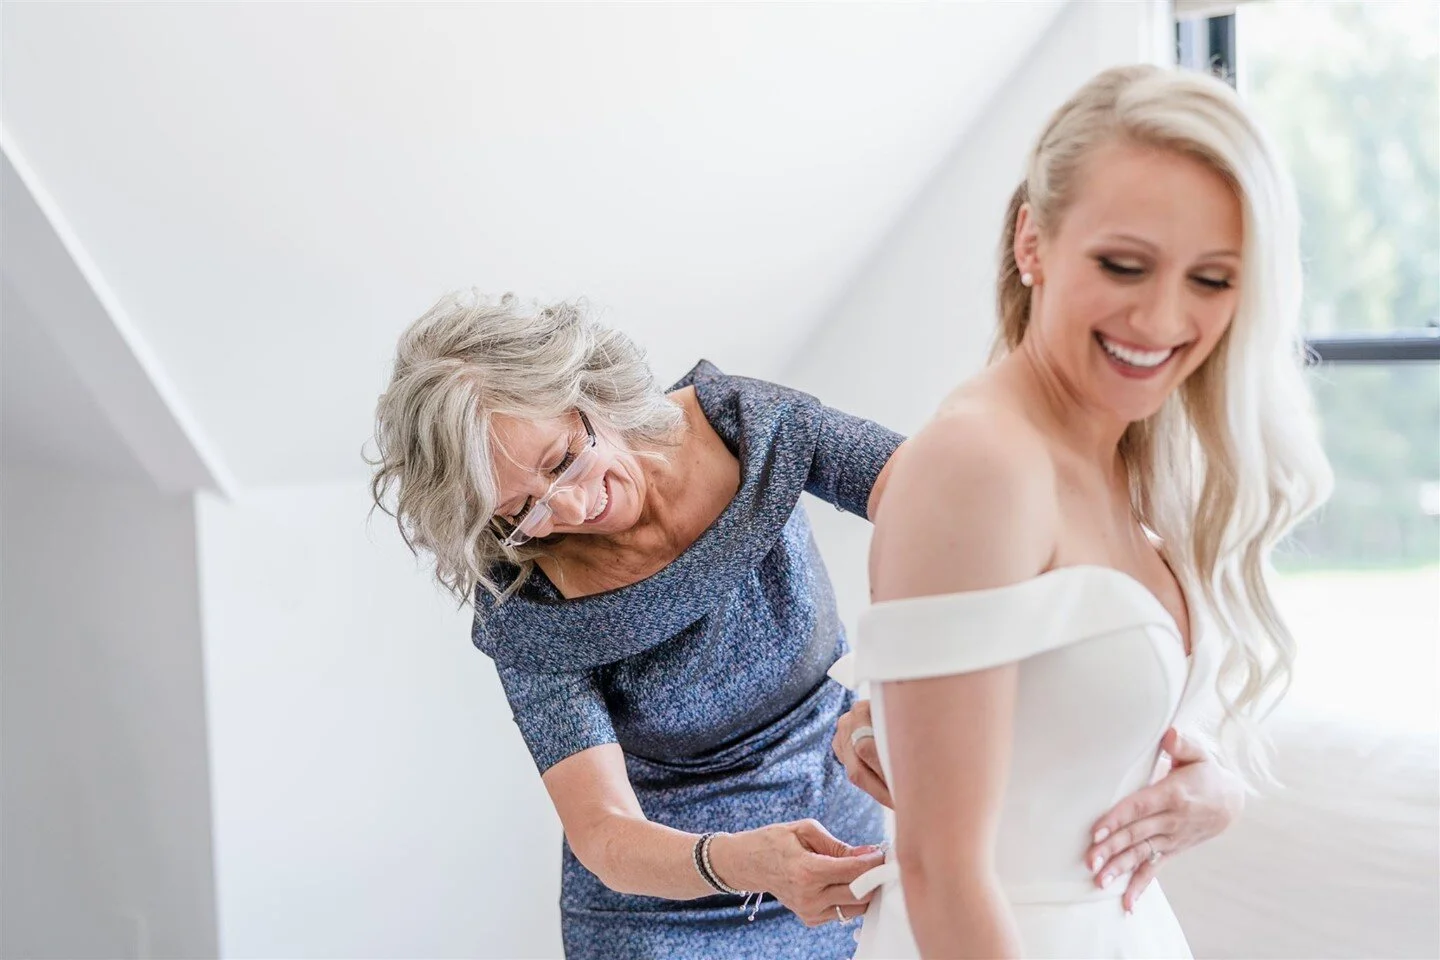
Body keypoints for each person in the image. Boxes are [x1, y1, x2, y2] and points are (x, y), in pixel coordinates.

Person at [369, 289, 1252, 956]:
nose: (567, 507)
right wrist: (739, 863)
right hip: (665, 907)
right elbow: (602, 831)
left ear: (588, 392)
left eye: (564, 459)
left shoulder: (745, 425)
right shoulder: (526, 605)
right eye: (520, 510)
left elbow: (968, 520)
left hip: (849, 859)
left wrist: (1177, 739)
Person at [831, 64, 1332, 959]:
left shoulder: (1135, 454)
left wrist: (1210, 787)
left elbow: (1076, 724)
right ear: (1033, 241)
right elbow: (943, 873)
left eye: (1212, 279)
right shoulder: (978, 463)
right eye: (1123, 265)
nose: (1162, 318)